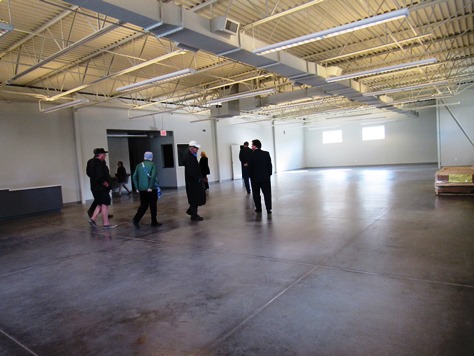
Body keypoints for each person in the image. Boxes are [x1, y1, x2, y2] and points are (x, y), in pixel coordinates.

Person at [86, 148, 117, 229]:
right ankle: (106, 224)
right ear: (100, 154)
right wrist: (105, 183)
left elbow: (88, 173)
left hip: (94, 187)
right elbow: (100, 175)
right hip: (101, 188)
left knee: (100, 204)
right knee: (105, 205)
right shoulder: (99, 163)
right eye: (104, 154)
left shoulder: (90, 162)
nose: (105, 156)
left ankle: (92, 219)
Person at [131, 151, 161, 229]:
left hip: (142, 189)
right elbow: (153, 176)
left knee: (143, 205)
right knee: (153, 205)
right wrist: (150, 187)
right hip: (151, 189)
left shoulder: (139, 165)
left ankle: (136, 219)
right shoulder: (153, 165)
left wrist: (137, 187)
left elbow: (134, 177)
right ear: (151, 157)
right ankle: (154, 222)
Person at [248, 139, 273, 214]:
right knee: (267, 194)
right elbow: (270, 165)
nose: (251, 146)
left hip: (255, 179)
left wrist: (250, 176)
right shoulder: (266, 154)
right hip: (265, 178)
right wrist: (269, 174)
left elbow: (250, 168)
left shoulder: (251, 155)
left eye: (252, 145)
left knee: (256, 194)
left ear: (255, 146)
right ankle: (268, 209)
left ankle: (258, 208)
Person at [184, 140, 206, 221]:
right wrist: (197, 178)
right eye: (196, 148)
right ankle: (194, 215)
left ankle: (191, 211)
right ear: (192, 148)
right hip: (193, 182)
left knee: (195, 198)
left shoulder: (192, 156)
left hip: (194, 181)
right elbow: (191, 171)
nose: (197, 150)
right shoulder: (189, 157)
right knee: (194, 199)